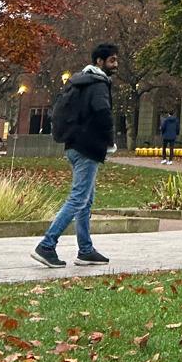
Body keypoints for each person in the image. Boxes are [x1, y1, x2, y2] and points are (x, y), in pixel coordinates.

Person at [33, 43, 119, 268]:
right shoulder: (99, 84)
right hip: (88, 147)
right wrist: (109, 141)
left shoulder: (78, 81)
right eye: (112, 60)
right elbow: (103, 113)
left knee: (86, 200)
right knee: (79, 198)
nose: (116, 65)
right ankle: (47, 244)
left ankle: (85, 250)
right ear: (99, 62)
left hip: (73, 145)